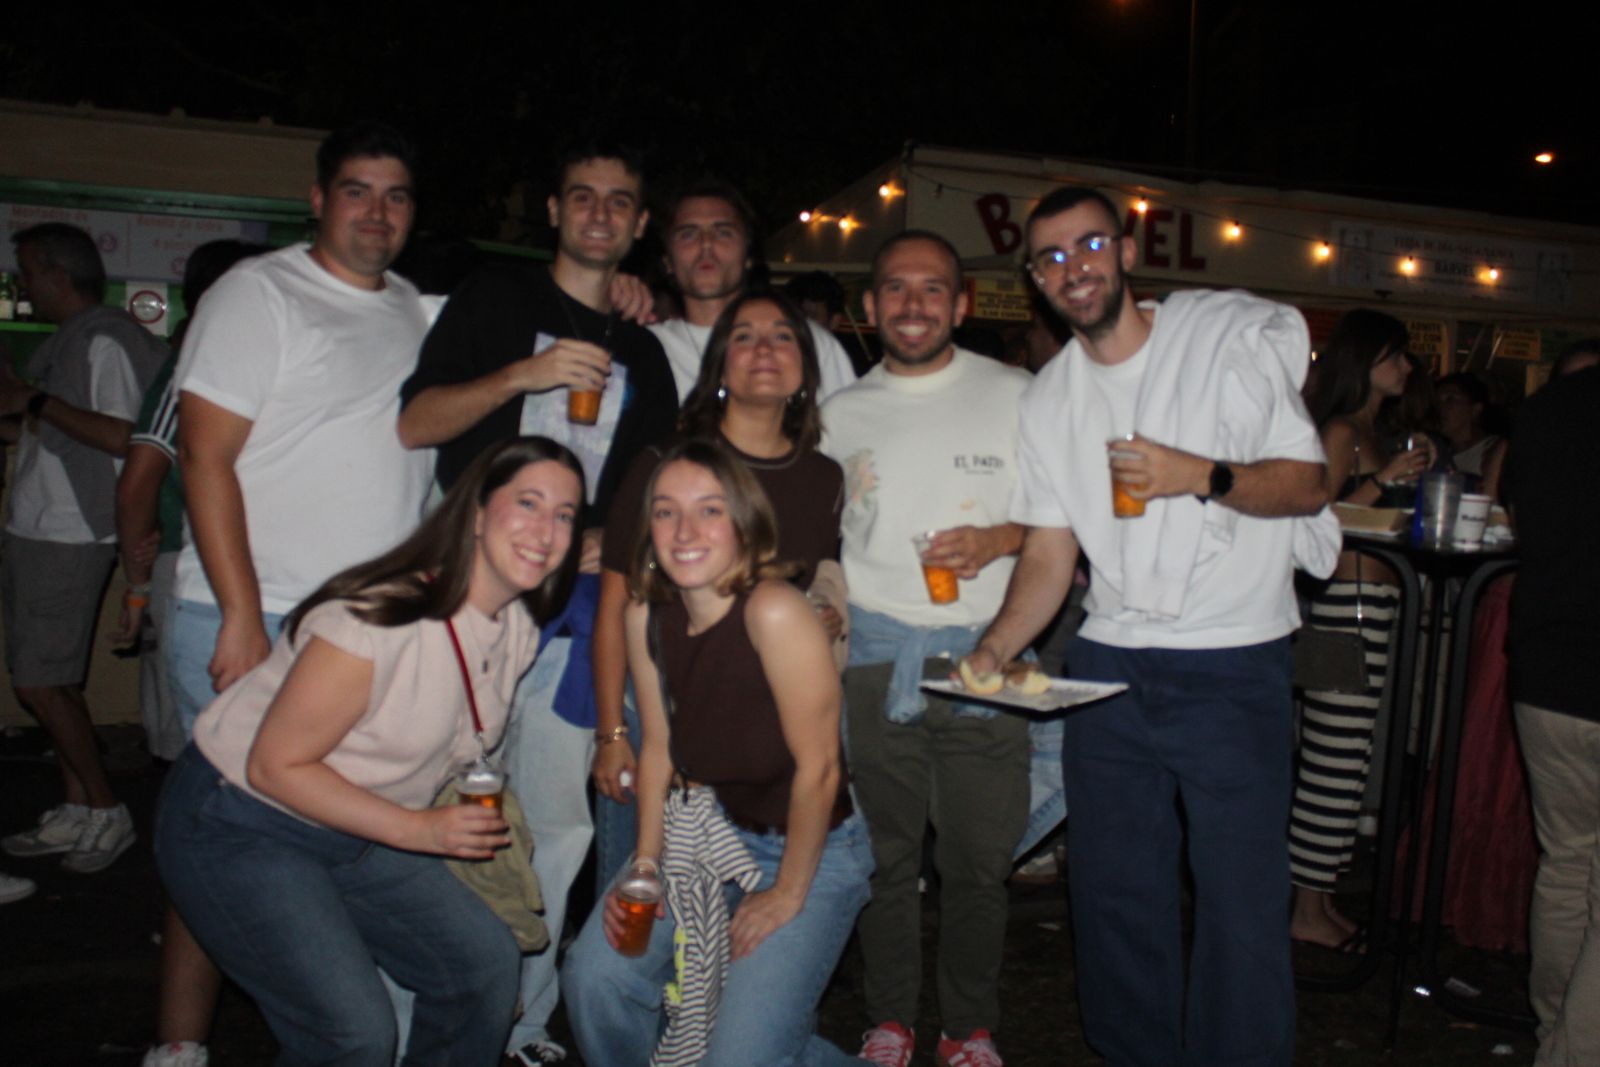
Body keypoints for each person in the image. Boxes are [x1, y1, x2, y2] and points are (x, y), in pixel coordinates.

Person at [964, 187, 1332, 1067]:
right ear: (1034, 281)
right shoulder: (1049, 399)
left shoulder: (1220, 342)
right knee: (1114, 897)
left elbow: (1309, 485)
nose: (1073, 268)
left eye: (1089, 245)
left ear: (1124, 249)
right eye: (1051, 258)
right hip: (1111, 666)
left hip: (1232, 661)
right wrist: (992, 647)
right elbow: (1051, 553)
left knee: (1241, 904)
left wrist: (1196, 473)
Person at [156, 436, 583, 1067]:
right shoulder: (380, 619)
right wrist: (421, 830)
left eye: (566, 515)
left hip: (356, 825)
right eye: (527, 503)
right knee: (352, 1033)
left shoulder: (515, 626)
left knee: (483, 966)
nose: (545, 529)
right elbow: (273, 766)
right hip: (240, 823)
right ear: (473, 512)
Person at [163, 121, 435, 1067]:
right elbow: (204, 456)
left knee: (303, 855)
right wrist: (241, 613)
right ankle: (183, 1047)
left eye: (396, 196)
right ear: (318, 200)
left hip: (361, 633)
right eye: (357, 191)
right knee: (237, 848)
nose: (377, 212)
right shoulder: (259, 292)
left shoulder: (411, 306)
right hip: (256, 617)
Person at [399, 143, 677, 1066]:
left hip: (571, 621)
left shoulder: (643, 348)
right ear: (554, 210)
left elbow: (652, 488)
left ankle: (521, 1021)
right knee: (432, 806)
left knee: (556, 828)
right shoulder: (494, 299)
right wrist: (524, 375)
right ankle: (419, 1019)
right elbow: (416, 422)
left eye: (621, 202)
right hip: (465, 607)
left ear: (640, 227)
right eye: (584, 197)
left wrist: (614, 541)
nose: (601, 213)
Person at [561, 439, 870, 1066]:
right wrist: (646, 868)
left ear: (744, 523)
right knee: (595, 979)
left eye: (710, 509)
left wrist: (786, 891)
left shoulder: (775, 610)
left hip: (813, 849)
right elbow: (659, 751)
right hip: (708, 832)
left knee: (742, 1056)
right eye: (667, 511)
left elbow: (821, 769)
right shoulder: (647, 613)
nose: (685, 530)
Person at [822, 230, 1032, 1067]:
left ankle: (969, 1027)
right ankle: (889, 1019)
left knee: (981, 864)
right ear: (871, 307)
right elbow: (821, 543)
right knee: (885, 859)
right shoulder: (841, 415)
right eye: (896, 290)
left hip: (987, 657)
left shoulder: (1018, 393)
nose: (914, 304)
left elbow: (1064, 522)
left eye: (933, 289)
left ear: (963, 303)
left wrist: (996, 537)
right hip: (874, 656)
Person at [592, 289, 845, 894]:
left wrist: (823, 616)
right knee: (633, 905)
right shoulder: (665, 466)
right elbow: (617, 606)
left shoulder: (823, 476)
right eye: (744, 336)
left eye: (783, 335)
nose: (764, 349)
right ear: (718, 369)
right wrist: (611, 735)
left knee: (726, 915)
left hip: (763, 731)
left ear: (807, 370)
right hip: (660, 721)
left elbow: (809, 585)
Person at [0, 222, 168, 873]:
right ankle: (78, 807)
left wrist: (36, 398)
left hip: (71, 533)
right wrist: (26, 405)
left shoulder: (105, 340)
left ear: (56, 274)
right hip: (39, 530)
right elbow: (54, 427)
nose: (23, 286)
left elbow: (129, 436)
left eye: (27, 273)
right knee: (51, 680)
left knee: (39, 683)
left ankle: (106, 808)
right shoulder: (72, 341)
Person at [1287, 309, 1427, 948]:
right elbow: (1313, 515)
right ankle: (1306, 909)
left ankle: (1321, 899)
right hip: (1344, 606)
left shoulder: (1377, 428)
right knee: (1331, 763)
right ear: (1364, 362)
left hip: (1375, 606)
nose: (1407, 367)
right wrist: (1383, 482)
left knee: (1351, 761)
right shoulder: (1342, 429)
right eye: (1395, 355)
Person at [1503, 363, 1600, 1066]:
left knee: (1567, 863)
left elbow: (1512, 515)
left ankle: (1554, 1030)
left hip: (1547, 664)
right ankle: (1573, 1049)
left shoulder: (1546, 408)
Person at [649, 179, 856, 401]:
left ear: (748, 256)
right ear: (667, 260)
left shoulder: (807, 342)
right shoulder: (646, 350)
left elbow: (850, 429)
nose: (706, 244)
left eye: (723, 233)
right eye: (688, 234)